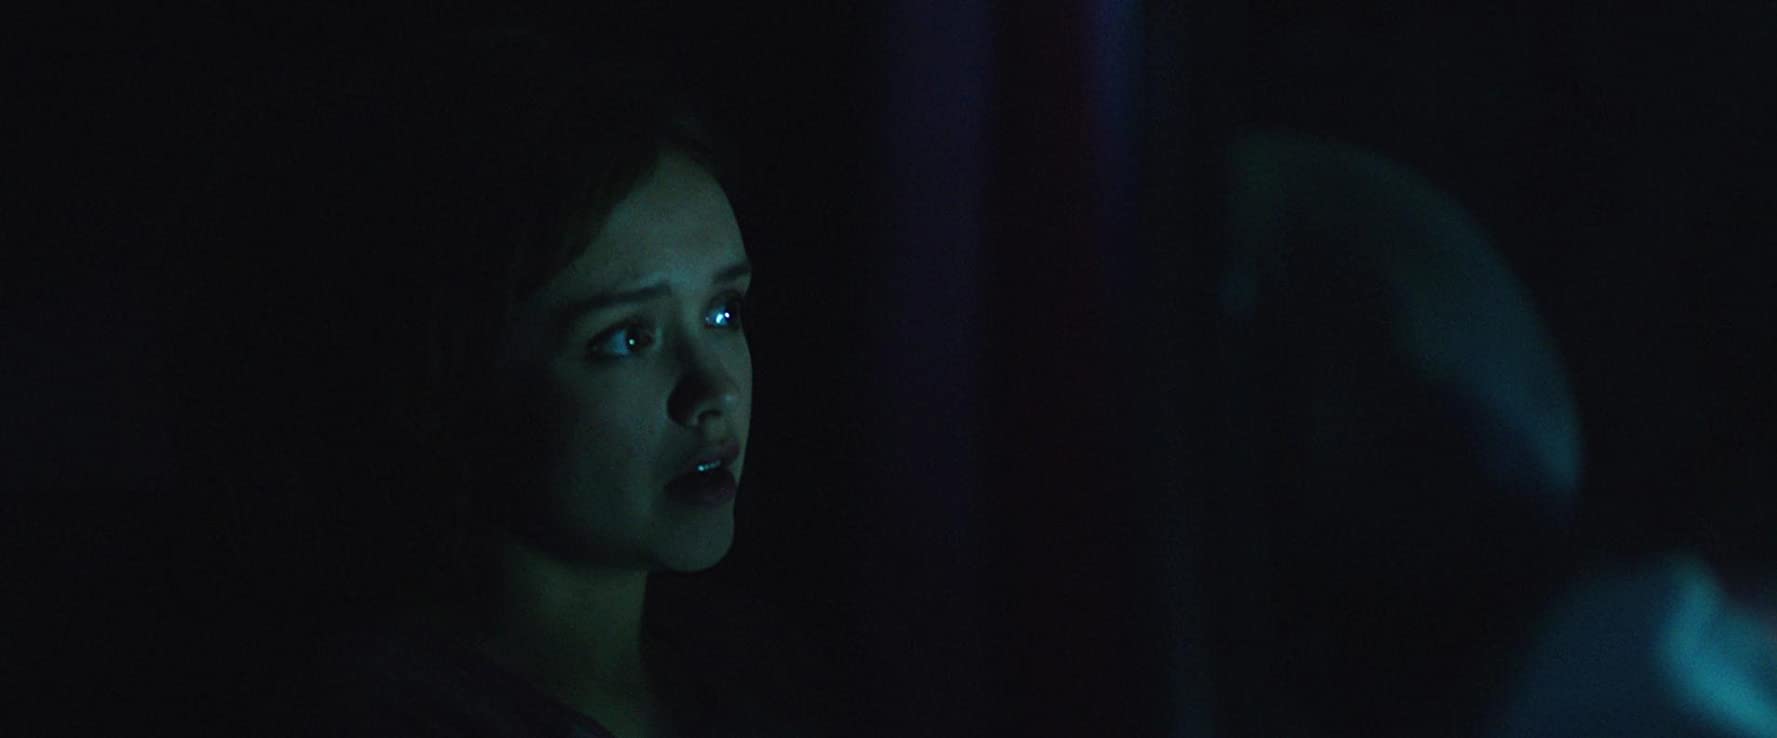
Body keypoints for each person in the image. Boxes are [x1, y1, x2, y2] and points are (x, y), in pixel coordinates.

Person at [184, 26, 820, 738]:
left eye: (723, 312)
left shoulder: (758, 677)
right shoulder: (380, 713)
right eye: (627, 339)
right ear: (460, 373)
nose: (715, 391)